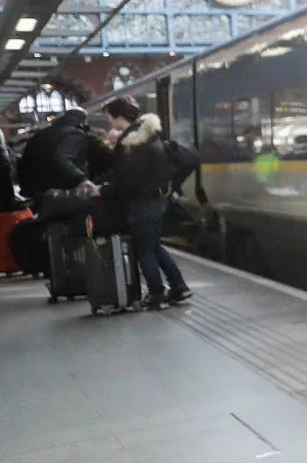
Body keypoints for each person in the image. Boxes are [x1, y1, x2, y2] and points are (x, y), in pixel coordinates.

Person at [96, 97, 190, 309]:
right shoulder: (149, 135)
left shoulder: (132, 143)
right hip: (158, 199)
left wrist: (102, 189)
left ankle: (157, 294)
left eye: (109, 116)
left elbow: (129, 180)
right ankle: (178, 285)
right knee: (153, 245)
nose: (110, 121)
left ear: (118, 116)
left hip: (143, 202)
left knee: (144, 250)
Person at [18, 106, 98, 198]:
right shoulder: (76, 133)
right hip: (58, 192)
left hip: (32, 190)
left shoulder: (43, 133)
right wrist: (81, 179)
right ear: (84, 120)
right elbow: (61, 158)